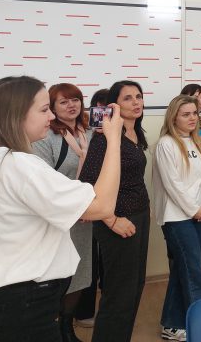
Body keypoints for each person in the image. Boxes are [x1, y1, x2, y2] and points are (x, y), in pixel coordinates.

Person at [0, 76, 121, 342]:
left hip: (7, 305)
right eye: (44, 109)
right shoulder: (20, 165)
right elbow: (103, 206)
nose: (51, 116)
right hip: (21, 309)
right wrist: (114, 140)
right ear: (16, 115)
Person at [79, 80, 150, 342]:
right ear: (114, 106)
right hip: (116, 221)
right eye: (128, 98)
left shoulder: (135, 133)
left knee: (135, 287)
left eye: (138, 96)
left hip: (139, 216)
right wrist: (112, 220)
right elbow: (87, 185)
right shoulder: (105, 138)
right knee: (119, 294)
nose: (136, 102)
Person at [32, 83, 95, 342]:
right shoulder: (47, 137)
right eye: (64, 102)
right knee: (56, 276)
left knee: (80, 274)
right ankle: (52, 328)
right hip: (57, 219)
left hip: (85, 217)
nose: (71, 105)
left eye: (75, 100)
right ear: (52, 108)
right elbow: (43, 181)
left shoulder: (89, 133)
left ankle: (67, 328)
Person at [153, 95, 201, 341]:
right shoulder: (166, 144)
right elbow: (173, 185)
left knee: (184, 269)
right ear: (173, 117)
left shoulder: (196, 141)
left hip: (198, 214)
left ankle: (172, 324)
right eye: (185, 114)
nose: (192, 118)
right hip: (176, 217)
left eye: (194, 113)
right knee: (195, 272)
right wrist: (193, 210)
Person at [75, 88, 109, 329]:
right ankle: (83, 311)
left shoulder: (119, 136)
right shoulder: (85, 134)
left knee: (107, 262)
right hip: (82, 207)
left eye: (108, 108)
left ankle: (108, 309)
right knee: (88, 263)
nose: (103, 113)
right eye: (99, 108)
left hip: (108, 206)